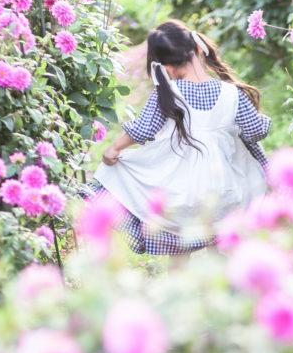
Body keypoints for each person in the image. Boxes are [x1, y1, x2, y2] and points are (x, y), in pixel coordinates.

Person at [84, 20, 271, 255]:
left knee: (179, 251)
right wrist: (259, 122)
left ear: (165, 66)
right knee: (223, 242)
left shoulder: (167, 95)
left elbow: (143, 130)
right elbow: (256, 131)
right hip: (226, 191)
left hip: (183, 194)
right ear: (199, 48)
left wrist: (114, 149)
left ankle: (180, 289)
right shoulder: (233, 94)